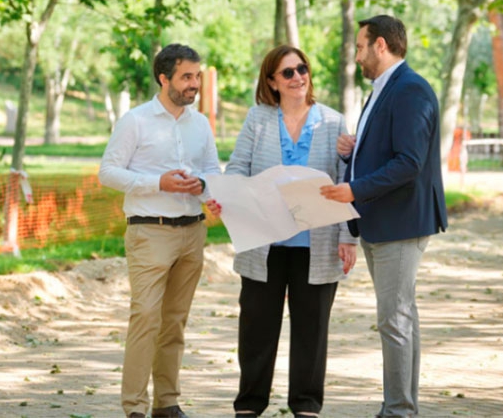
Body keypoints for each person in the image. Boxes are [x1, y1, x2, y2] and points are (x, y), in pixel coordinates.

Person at [213, 44, 357, 418]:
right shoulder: (258, 119)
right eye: (288, 72)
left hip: (318, 242)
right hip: (265, 242)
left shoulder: (332, 121)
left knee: (312, 328)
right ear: (272, 82)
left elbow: (346, 180)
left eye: (302, 69)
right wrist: (227, 198)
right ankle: (249, 404)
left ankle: (306, 406)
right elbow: (238, 170)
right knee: (257, 327)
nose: (298, 77)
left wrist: (348, 237)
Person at [320, 15, 448, 418]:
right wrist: (353, 151)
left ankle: (398, 411)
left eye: (360, 47)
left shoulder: (410, 90)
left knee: (394, 321)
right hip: (381, 221)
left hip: (400, 222)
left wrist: (355, 189)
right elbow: (391, 150)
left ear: (380, 45)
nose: (356, 56)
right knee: (402, 318)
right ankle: (401, 406)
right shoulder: (383, 89)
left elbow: (409, 162)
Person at [98, 43, 222, 418]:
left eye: (197, 76)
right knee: (146, 318)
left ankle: (166, 403)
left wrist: (205, 188)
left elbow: (213, 172)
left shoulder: (199, 123)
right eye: (186, 76)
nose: (194, 84)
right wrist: (158, 184)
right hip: (150, 232)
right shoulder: (135, 120)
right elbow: (108, 172)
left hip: (192, 232)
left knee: (175, 322)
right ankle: (134, 407)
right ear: (164, 77)